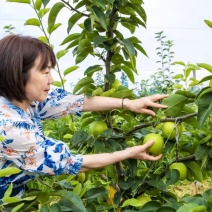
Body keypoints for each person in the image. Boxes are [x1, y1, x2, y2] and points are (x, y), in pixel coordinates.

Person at [0, 34, 168, 199]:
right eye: (45, 71)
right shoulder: (10, 126)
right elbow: (70, 163)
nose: (51, 79)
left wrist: (129, 103)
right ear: (18, 74)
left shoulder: (26, 100)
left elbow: (77, 102)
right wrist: (128, 153)